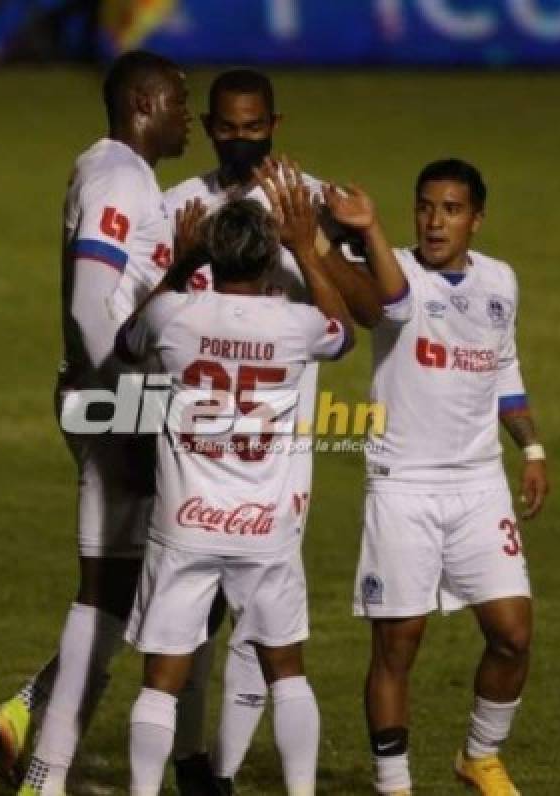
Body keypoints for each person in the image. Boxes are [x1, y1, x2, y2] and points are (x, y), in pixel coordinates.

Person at [0, 49, 196, 796]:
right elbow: (87, 305)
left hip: (121, 399)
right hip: (112, 400)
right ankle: (44, 770)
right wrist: (121, 408)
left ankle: (26, 715)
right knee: (114, 587)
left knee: (136, 584)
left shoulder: (126, 176)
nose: (187, 115)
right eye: (179, 100)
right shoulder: (115, 178)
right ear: (143, 101)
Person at [161, 68, 379, 793]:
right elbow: (145, 319)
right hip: (194, 450)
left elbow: (369, 311)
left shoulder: (310, 202)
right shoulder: (179, 206)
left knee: (259, 626)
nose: (243, 142)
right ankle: (192, 760)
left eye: (256, 129)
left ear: (275, 125)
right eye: (229, 128)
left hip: (280, 459)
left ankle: (217, 771)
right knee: (189, 625)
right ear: (210, 126)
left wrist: (308, 247)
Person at [116, 188, 355, 795]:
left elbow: (125, 343)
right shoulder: (297, 325)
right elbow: (343, 332)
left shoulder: (174, 315)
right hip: (264, 528)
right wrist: (309, 248)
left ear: (210, 255)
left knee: (161, 679)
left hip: (184, 525)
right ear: (270, 254)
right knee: (286, 672)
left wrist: (178, 263)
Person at [323, 159, 549, 795]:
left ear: (476, 219)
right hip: (403, 487)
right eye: (425, 207)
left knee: (513, 633)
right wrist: (361, 231)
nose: (434, 221)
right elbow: (390, 301)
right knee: (399, 643)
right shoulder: (394, 270)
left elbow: (502, 369)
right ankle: (393, 784)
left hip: (480, 486)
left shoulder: (501, 282)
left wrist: (531, 450)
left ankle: (479, 756)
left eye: (450, 210)